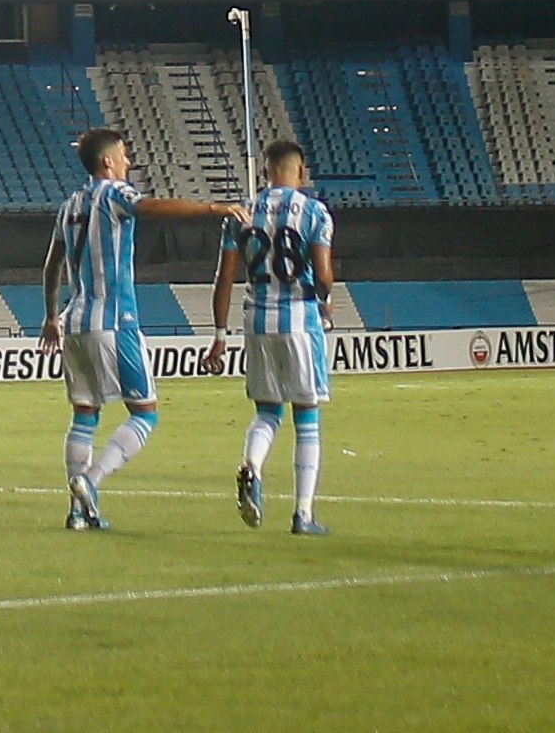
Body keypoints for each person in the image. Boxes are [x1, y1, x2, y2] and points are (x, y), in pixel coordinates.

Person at [43, 127, 248, 530]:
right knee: (145, 414)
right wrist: (212, 209)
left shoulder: (69, 206)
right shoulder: (115, 194)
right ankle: (90, 480)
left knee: (85, 413)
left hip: (75, 323)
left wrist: (52, 316)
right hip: (115, 323)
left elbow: (52, 264)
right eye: (123, 155)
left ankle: (77, 511)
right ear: (107, 162)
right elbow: (152, 208)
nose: (128, 162)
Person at [210, 140, 337, 536]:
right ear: (300, 172)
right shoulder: (315, 212)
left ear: (266, 172)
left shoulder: (240, 214)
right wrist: (326, 298)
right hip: (300, 322)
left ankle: (253, 465)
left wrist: (219, 334)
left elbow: (224, 278)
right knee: (307, 418)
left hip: (257, 322)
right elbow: (323, 273)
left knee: (267, 413)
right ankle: (303, 514)